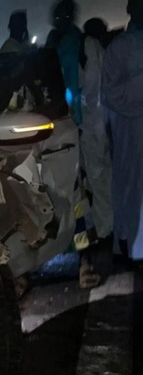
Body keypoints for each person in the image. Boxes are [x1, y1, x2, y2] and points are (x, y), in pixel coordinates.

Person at [102, 0, 143, 261]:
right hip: (132, 132)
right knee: (131, 189)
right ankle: (131, 246)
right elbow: (111, 93)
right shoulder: (119, 48)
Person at [80, 18, 113, 242]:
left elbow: (90, 87)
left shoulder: (91, 48)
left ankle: (104, 230)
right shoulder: (96, 48)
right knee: (99, 180)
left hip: (93, 126)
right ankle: (103, 227)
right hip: (98, 125)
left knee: (97, 180)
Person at [46, 0, 83, 125]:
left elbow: (72, 72)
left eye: (65, 16)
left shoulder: (76, 39)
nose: (60, 20)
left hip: (74, 98)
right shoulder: (53, 38)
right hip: (57, 98)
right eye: (58, 17)